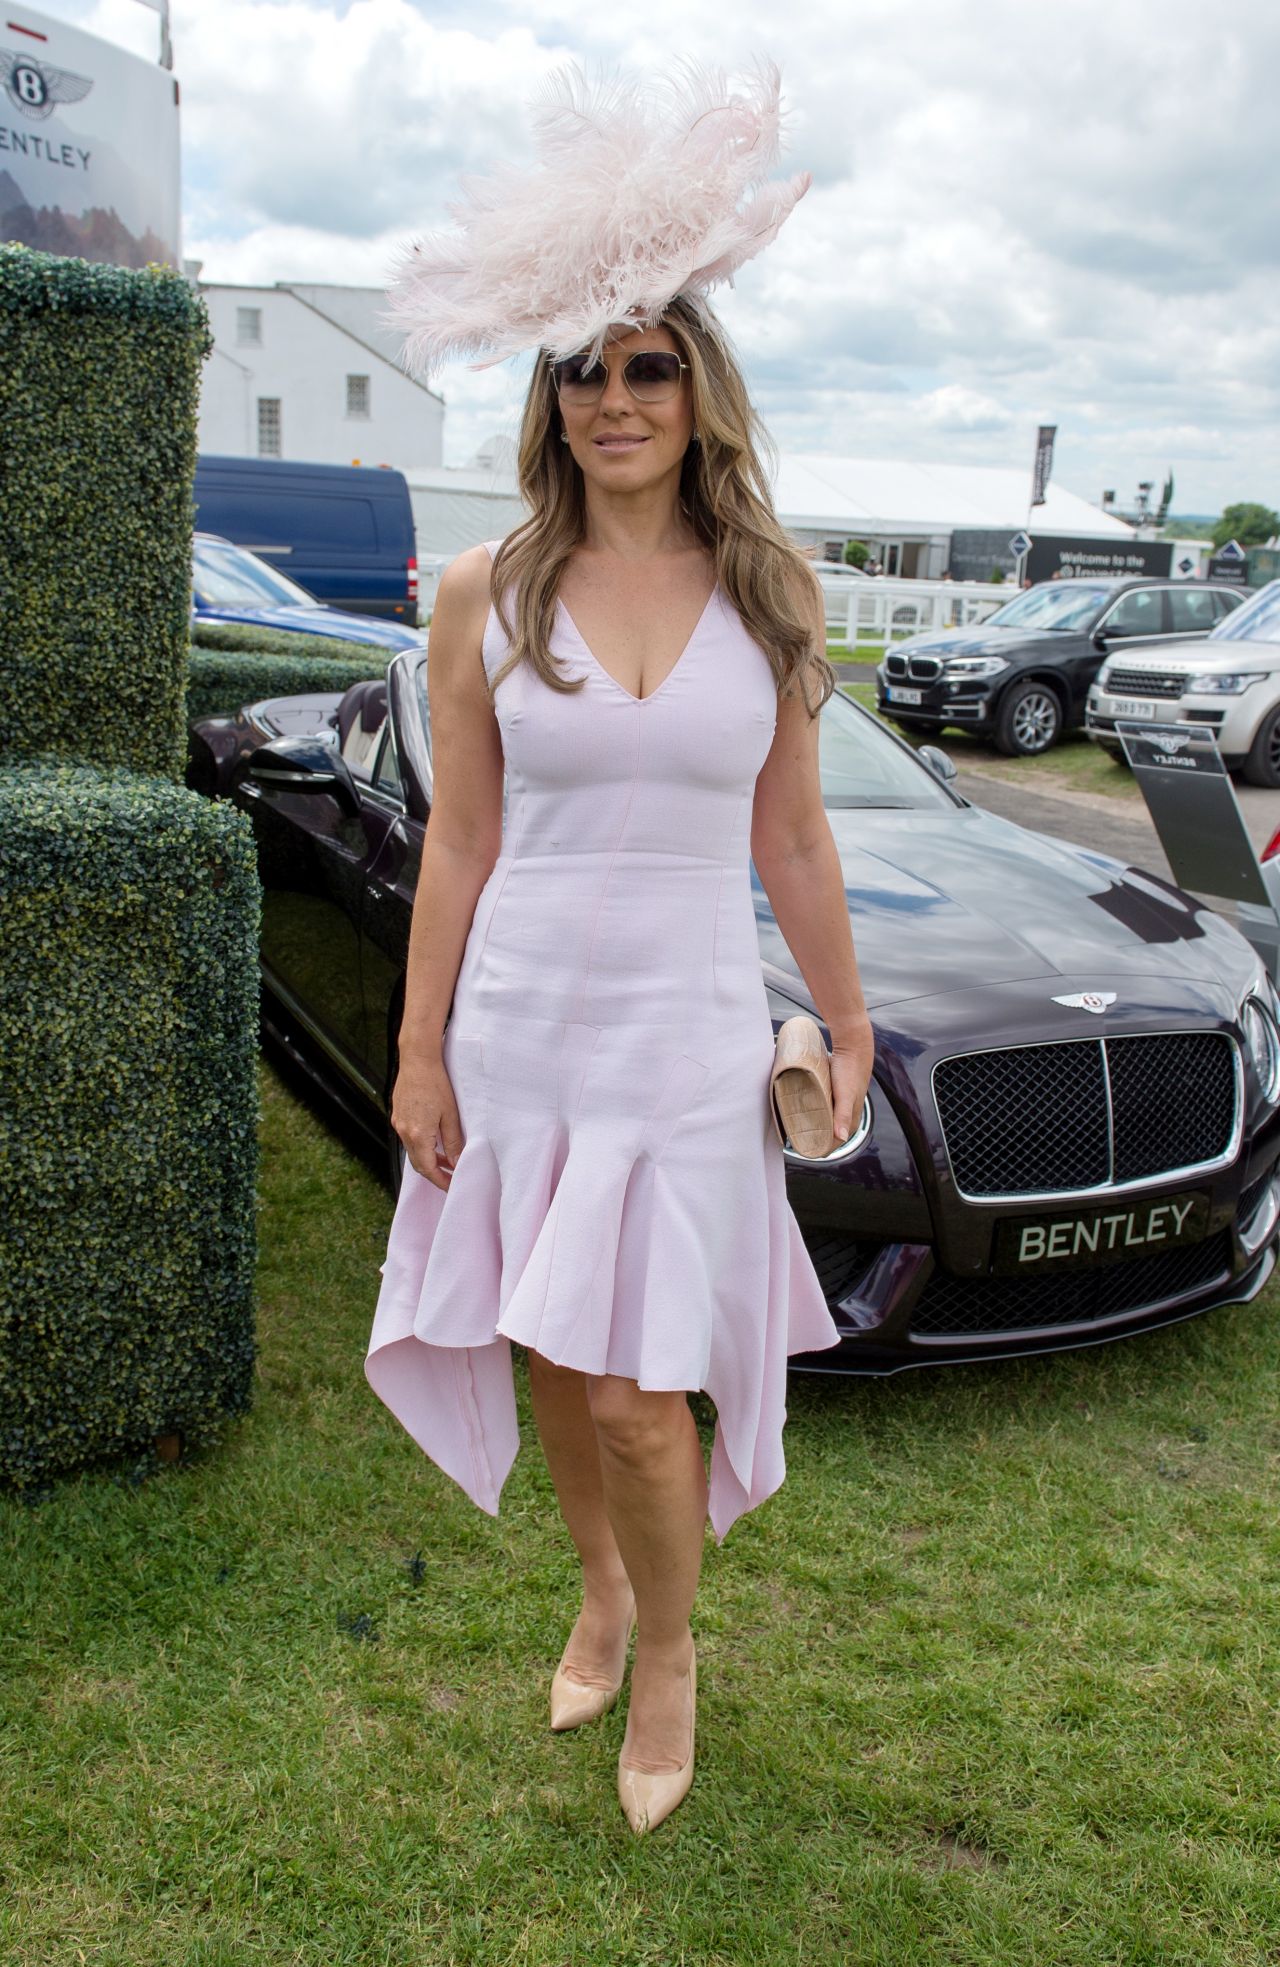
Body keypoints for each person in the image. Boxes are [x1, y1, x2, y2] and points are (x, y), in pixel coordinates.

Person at [365, 54, 874, 1837]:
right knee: (563, 1360)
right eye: (583, 369)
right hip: (526, 1025)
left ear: (699, 386)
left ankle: (667, 1650)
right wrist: (423, 1052)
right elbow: (465, 841)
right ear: (551, 395)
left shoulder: (773, 592)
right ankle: (595, 1584)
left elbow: (793, 833)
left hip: (682, 1034)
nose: (613, 398)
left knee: (649, 1396)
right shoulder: (479, 594)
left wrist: (851, 1018)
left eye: (647, 364)